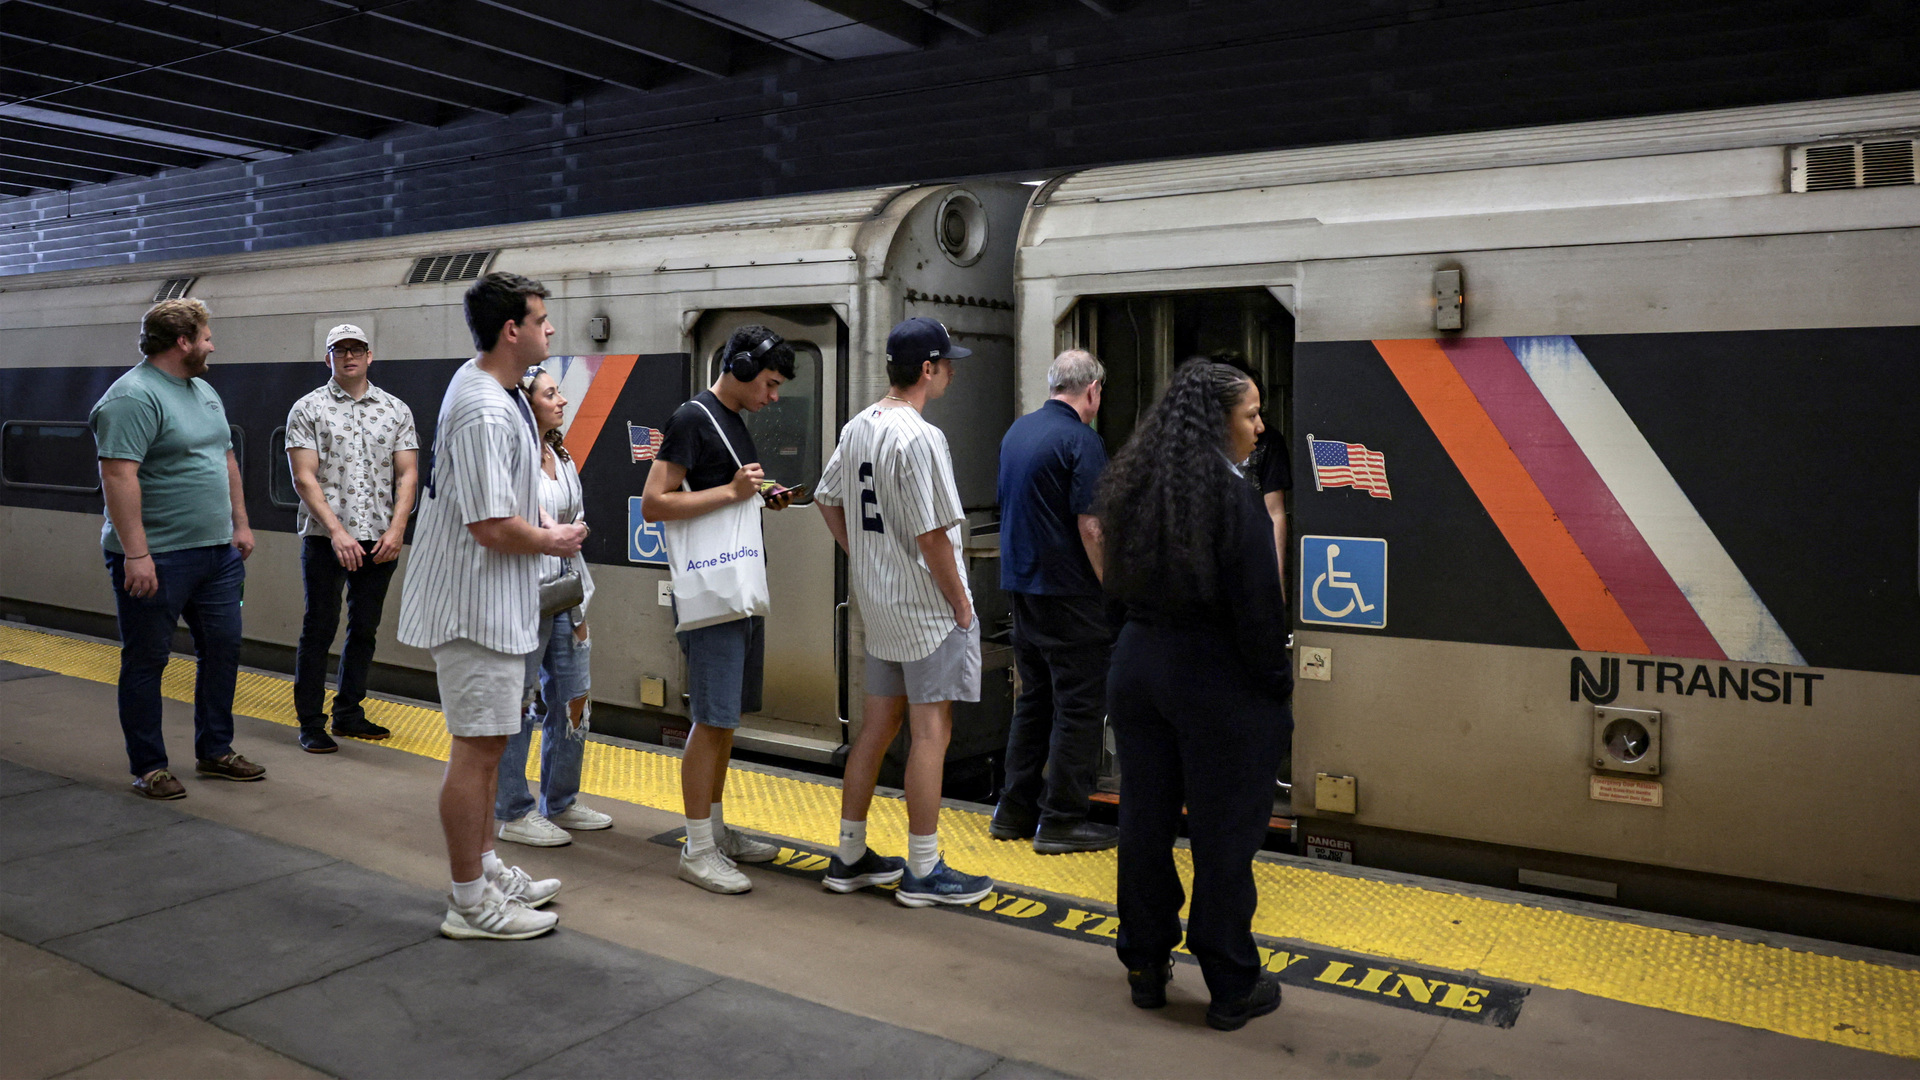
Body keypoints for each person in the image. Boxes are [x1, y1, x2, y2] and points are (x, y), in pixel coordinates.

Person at [1097, 359, 1292, 1031]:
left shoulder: (1137, 483)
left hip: (1137, 669)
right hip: (1213, 679)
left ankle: (1145, 965)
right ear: (1219, 420)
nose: (1260, 428)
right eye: (1251, 415)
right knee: (1223, 833)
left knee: (1144, 821)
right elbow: (1259, 609)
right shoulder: (1235, 497)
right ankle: (1232, 983)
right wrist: (1277, 687)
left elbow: (1113, 588)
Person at [396, 272, 588, 941]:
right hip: (473, 607)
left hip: (495, 604)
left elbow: (501, 499)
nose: (550, 329)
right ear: (512, 330)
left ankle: (483, 867)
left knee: (488, 744)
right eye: (540, 319)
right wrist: (552, 539)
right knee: (476, 754)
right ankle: (470, 902)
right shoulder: (484, 407)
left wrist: (543, 525)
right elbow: (489, 525)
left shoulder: (498, 390)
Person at [814, 317, 994, 908]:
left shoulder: (859, 426)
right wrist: (962, 605)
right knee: (931, 733)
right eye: (947, 364)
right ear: (927, 369)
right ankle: (923, 868)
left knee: (876, 729)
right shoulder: (921, 437)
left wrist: (864, 555)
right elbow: (933, 535)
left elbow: (826, 497)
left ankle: (849, 856)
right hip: (926, 610)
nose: (951, 374)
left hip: (880, 607)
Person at [90, 297, 265, 799]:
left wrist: (240, 524)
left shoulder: (203, 390)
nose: (213, 346)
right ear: (183, 341)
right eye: (207, 337)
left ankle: (216, 750)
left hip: (218, 555)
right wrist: (136, 554)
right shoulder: (132, 397)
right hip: (159, 556)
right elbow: (117, 476)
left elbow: (225, 458)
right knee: (148, 660)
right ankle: (149, 766)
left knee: (224, 649)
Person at [642, 326, 796, 893]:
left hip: (739, 588)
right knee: (710, 718)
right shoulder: (692, 418)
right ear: (742, 368)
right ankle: (698, 848)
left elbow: (724, 487)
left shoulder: (732, 420)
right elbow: (654, 502)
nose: (773, 396)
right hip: (713, 596)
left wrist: (760, 493)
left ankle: (715, 829)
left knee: (725, 718)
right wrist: (732, 494)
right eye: (770, 383)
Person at [989, 349, 1120, 854]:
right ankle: (1062, 820)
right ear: (1092, 390)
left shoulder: (1017, 432)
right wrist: (1111, 587)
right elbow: (1092, 526)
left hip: (1023, 590)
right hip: (1070, 594)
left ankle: (1013, 810)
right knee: (1079, 706)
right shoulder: (1082, 440)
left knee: (1035, 700)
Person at [285, 323, 419, 753]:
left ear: (369, 355)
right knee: (319, 629)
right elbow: (304, 478)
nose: (348, 356)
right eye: (339, 350)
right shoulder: (308, 408)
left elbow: (408, 474)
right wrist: (337, 532)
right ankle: (311, 722)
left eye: (356, 349)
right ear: (327, 358)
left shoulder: (396, 410)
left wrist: (397, 530)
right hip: (326, 538)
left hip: (380, 538)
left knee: (364, 629)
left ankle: (348, 713)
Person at [493, 366, 612, 846]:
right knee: (519, 704)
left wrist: (575, 531)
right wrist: (551, 533)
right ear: (526, 403)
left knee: (573, 700)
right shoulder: (512, 456)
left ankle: (560, 801)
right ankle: (514, 811)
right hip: (524, 596)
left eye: (559, 392)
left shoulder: (560, 455)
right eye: (550, 393)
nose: (561, 400)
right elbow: (509, 523)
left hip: (566, 592)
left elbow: (575, 515)